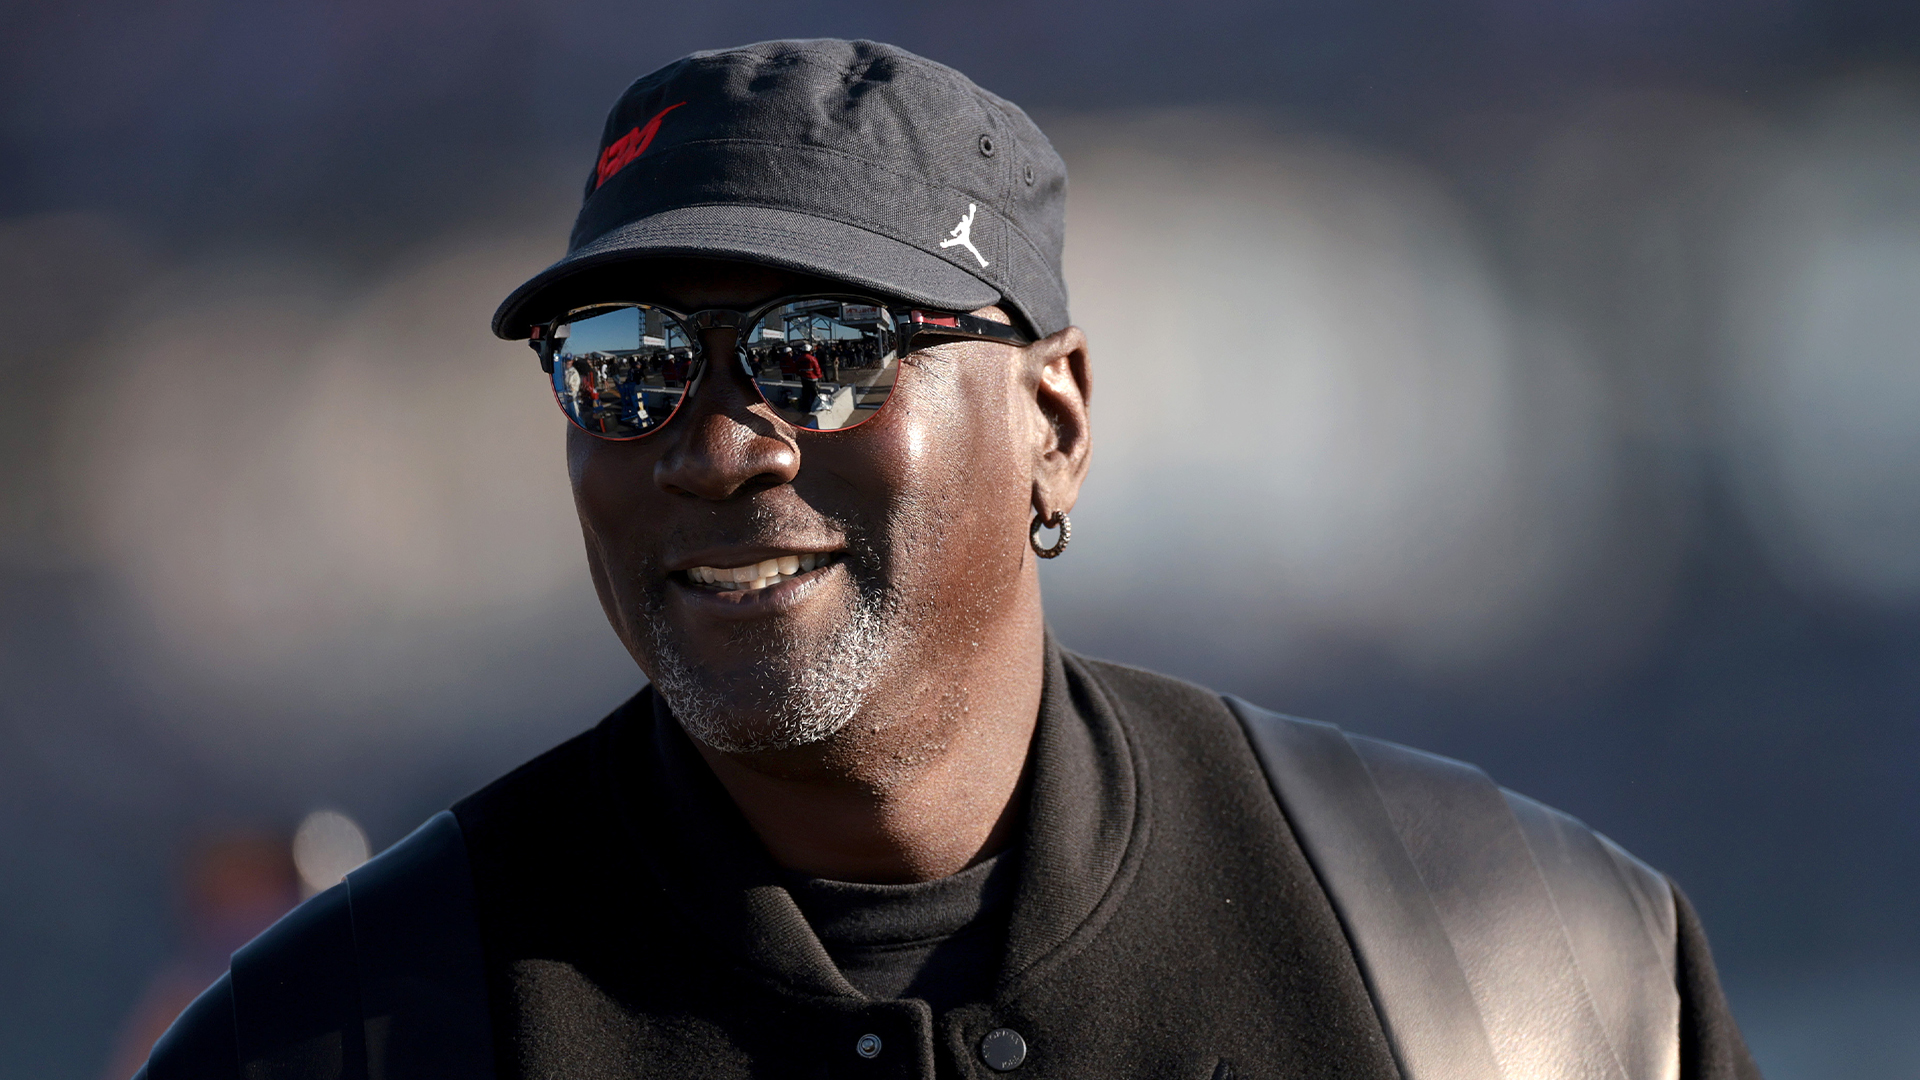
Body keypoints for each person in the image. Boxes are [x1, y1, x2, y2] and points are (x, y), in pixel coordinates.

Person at [136, 39, 1763, 1080]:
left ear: (1053, 419)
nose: (715, 443)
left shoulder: (1519, 969)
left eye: (821, 350)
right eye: (629, 361)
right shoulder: (342, 1040)